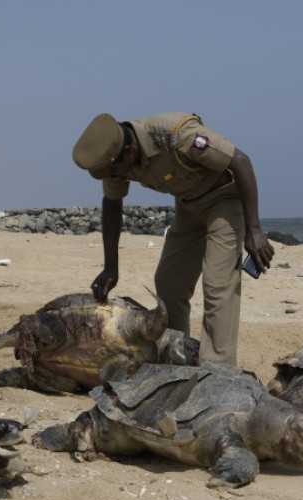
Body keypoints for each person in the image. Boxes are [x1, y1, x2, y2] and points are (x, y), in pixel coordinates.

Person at [73, 112, 274, 366]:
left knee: (217, 285)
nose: (117, 177)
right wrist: (111, 266)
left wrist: (254, 229)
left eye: (116, 171)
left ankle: (217, 372)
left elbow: (241, 162)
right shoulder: (115, 159)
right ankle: (178, 356)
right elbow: (112, 204)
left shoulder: (176, 136)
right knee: (169, 283)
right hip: (188, 206)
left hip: (224, 200)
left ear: (130, 150)